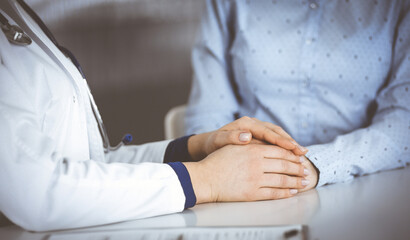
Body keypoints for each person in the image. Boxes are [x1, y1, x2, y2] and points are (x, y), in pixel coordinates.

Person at [0, 0, 317, 232]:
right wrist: (206, 179)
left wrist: (196, 148)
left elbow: (87, 166)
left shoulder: (16, 11)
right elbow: (37, 191)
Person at [186, 0, 410, 187]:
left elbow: (403, 126)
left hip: (369, 187)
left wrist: (313, 165)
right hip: (249, 185)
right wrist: (228, 160)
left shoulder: (397, 6)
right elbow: (207, 115)